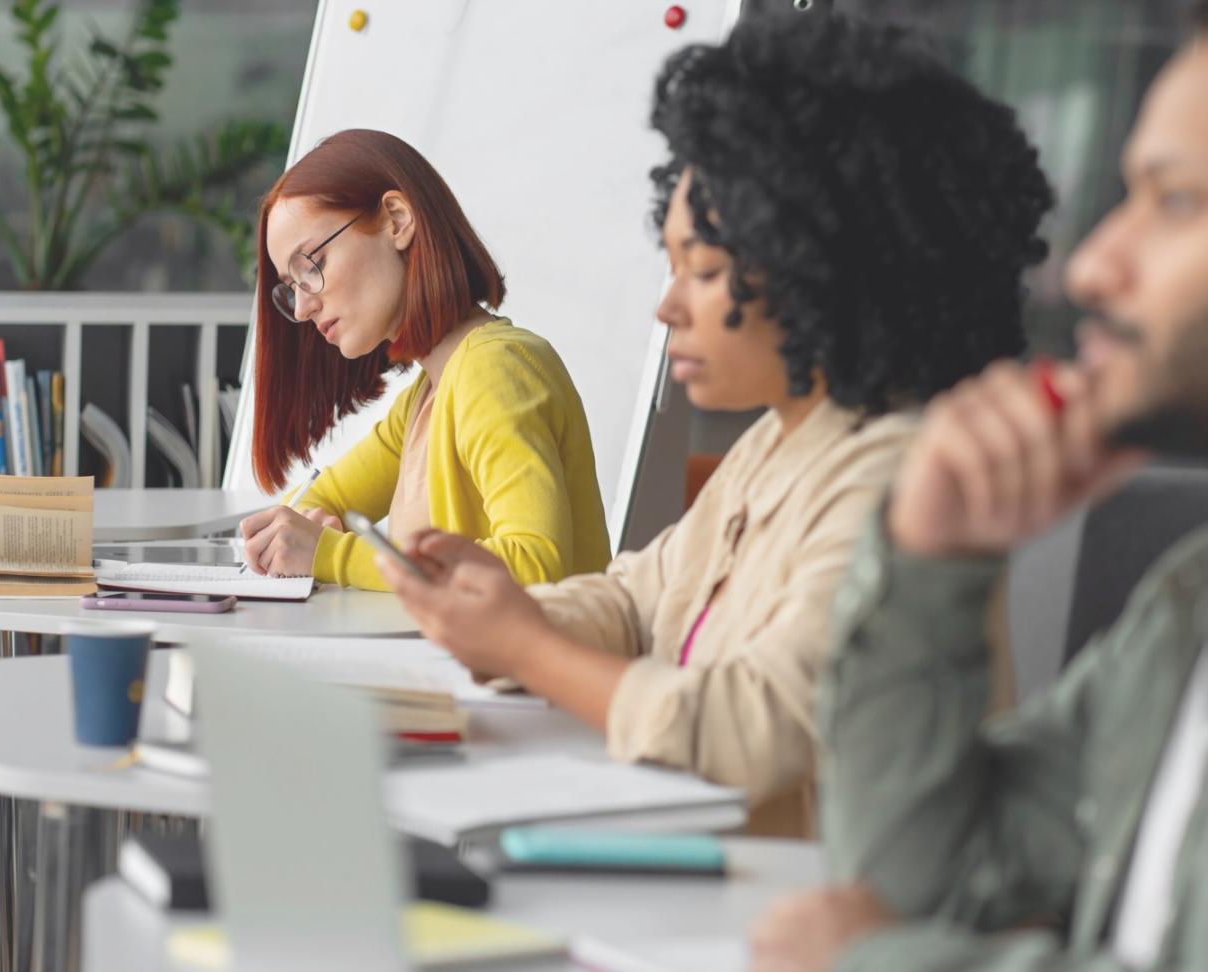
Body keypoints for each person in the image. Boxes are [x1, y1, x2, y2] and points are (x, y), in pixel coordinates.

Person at [378, 9, 1054, 833]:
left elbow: (751, 727)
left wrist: (524, 648)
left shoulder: (901, 476)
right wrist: (506, 614)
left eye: (700, 270)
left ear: (825, 271)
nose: (666, 307)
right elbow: (637, 599)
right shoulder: (776, 441)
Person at [750, 3, 1208, 968]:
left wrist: (879, 962)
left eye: (1173, 202)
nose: (1091, 265)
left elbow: (884, 922)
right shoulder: (1187, 605)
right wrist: (929, 567)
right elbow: (923, 877)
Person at [239, 129, 611, 591]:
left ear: (396, 220)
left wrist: (329, 553)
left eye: (310, 265)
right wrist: (293, 533)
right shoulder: (427, 396)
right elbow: (327, 498)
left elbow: (535, 563)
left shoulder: (493, 370)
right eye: (291, 286)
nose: (300, 308)